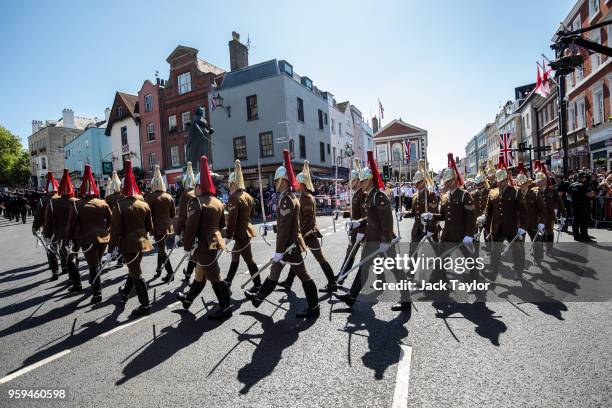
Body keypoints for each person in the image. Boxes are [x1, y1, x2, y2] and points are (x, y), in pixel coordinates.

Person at [244, 149, 320, 319]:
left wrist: (279, 251)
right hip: (289, 245)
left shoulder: (286, 200)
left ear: (283, 180)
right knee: (274, 272)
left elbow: (286, 228)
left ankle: (314, 307)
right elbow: (287, 224)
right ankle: (258, 298)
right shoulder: (290, 197)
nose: (276, 182)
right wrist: (273, 228)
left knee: (304, 276)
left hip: (289, 247)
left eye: (277, 179)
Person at [333, 151, 411, 313]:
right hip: (372, 238)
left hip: (383, 240)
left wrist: (385, 241)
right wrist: (358, 223)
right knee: (364, 267)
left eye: (362, 180)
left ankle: (406, 299)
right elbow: (370, 218)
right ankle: (352, 297)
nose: (360, 183)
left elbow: (386, 221)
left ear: (369, 180)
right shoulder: (371, 196)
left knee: (396, 269)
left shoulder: (379, 195)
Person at [176, 156, 232, 319]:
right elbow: (221, 224)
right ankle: (188, 300)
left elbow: (191, 227)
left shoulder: (196, 202)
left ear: (199, 186)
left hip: (203, 245)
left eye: (196, 187)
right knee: (200, 274)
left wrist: (186, 247)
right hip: (213, 241)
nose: (195, 189)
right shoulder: (217, 201)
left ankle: (226, 306)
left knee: (214, 277)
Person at [279, 160, 337, 292]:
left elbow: (308, 218)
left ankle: (332, 283)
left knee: (320, 259)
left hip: (308, 234)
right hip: (306, 233)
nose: (295, 186)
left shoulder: (306, 198)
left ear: (303, 184)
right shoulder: (305, 196)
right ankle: (288, 282)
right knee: (295, 257)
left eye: (297, 184)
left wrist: (301, 234)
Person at [425, 154, 477, 300]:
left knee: (470, 260)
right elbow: (442, 216)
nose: (446, 184)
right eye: (445, 181)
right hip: (447, 235)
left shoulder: (464, 195)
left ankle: (476, 285)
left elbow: (471, 217)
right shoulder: (446, 196)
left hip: (462, 235)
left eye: (448, 181)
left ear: (454, 180)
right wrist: (431, 216)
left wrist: (469, 234)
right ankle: (432, 287)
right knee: (440, 259)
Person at [110, 161, 154, 316]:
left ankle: (145, 305)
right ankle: (125, 294)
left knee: (136, 272)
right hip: (143, 242)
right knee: (133, 268)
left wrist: (111, 250)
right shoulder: (144, 204)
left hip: (128, 244)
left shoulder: (119, 205)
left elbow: (116, 231)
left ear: (123, 189)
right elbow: (150, 227)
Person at [66, 165, 112, 303]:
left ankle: (97, 293)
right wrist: (106, 230)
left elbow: (71, 225)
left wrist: (69, 239)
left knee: (93, 266)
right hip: (103, 238)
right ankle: (94, 281)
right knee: (96, 263)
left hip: (87, 239)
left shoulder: (77, 205)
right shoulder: (102, 202)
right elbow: (111, 221)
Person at [480, 168, 527, 282]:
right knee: (495, 251)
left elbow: (523, 211)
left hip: (512, 227)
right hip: (497, 227)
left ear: (507, 179)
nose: (501, 183)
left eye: (503, 180)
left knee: (517, 250)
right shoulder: (492, 192)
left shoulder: (515, 191)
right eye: (499, 181)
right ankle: (493, 274)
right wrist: (484, 217)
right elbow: (488, 209)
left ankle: (518, 272)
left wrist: (522, 226)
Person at [223, 159, 261, 294]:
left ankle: (258, 284)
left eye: (230, 184)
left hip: (241, 234)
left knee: (249, 260)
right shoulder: (248, 196)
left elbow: (232, 220)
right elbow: (252, 214)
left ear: (233, 183)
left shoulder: (234, 198)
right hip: (246, 230)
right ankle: (228, 281)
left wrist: (228, 236)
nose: (229, 187)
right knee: (235, 254)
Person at [44, 169, 80, 291]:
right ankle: (73, 276)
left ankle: (75, 280)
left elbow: (48, 222)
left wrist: (47, 235)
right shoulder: (77, 201)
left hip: (62, 234)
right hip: (76, 233)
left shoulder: (53, 203)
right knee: (74, 254)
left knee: (68, 257)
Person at [337, 158, 367, 285]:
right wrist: (343, 213)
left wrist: (360, 229)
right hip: (355, 231)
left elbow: (365, 216)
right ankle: (342, 275)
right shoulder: (356, 194)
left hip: (362, 231)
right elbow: (355, 213)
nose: (350, 183)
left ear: (357, 181)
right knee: (350, 254)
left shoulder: (363, 195)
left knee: (367, 259)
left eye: (352, 180)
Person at [146, 165, 176, 282]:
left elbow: (147, 214)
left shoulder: (151, 197)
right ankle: (159, 268)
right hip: (167, 226)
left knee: (162, 250)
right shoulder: (168, 196)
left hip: (157, 227)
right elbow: (173, 214)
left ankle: (170, 273)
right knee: (161, 247)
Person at [32, 172, 60, 280]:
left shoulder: (43, 201)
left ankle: (55, 271)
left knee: (51, 250)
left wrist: (35, 228)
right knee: (63, 248)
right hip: (63, 228)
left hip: (48, 229)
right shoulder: (62, 198)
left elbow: (38, 217)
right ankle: (66, 266)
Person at [515, 167, 545, 263]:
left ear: (527, 183)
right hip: (521, 225)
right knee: (519, 246)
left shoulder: (535, 193)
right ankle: (521, 264)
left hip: (533, 223)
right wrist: (517, 224)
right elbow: (514, 211)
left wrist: (542, 222)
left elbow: (543, 210)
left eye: (523, 184)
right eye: (520, 185)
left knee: (537, 243)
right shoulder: (516, 194)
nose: (522, 187)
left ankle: (538, 259)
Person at [175, 162, 197, 280]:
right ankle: (188, 274)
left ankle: (195, 276)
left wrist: (178, 233)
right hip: (199, 226)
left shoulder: (185, 194)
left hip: (189, 228)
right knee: (195, 253)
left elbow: (182, 216)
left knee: (194, 252)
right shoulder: (197, 192)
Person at [105, 171, 125, 268]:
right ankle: (122, 257)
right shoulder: (124, 197)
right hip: (125, 221)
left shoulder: (108, 198)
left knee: (115, 240)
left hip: (114, 221)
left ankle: (119, 259)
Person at [568, 171, 596, 242]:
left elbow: (568, 196)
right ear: (584, 178)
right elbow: (590, 195)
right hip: (584, 205)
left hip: (575, 204)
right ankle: (584, 236)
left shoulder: (572, 184)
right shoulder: (585, 185)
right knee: (584, 221)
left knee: (576, 219)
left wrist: (574, 200)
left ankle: (576, 236)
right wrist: (593, 194)